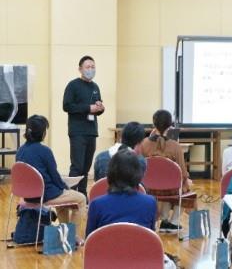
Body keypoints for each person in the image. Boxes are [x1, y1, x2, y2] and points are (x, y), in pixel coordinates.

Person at [16, 115, 86, 245]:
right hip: (46, 195)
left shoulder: (20, 151)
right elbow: (55, 177)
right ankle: (73, 236)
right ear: (43, 133)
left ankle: (64, 234)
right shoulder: (45, 151)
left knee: (63, 202)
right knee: (81, 199)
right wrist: (66, 186)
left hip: (27, 195)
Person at [140, 109, 195, 233]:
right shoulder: (175, 146)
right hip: (170, 189)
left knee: (162, 183)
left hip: (148, 188)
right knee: (184, 185)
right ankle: (172, 222)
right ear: (170, 126)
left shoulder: (144, 144)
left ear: (153, 124)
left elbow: (139, 167)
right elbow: (183, 173)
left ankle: (163, 218)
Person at [86, 149, 157, 236]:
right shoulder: (150, 202)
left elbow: (90, 241)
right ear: (138, 173)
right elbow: (151, 238)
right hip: (139, 249)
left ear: (110, 173)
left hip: (107, 249)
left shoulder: (97, 204)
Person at [63, 55, 104, 198]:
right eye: (88, 67)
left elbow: (97, 107)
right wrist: (88, 108)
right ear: (80, 69)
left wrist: (100, 108)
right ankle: (71, 195)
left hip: (91, 131)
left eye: (93, 67)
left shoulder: (95, 87)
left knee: (86, 167)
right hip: (77, 131)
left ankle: (83, 195)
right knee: (77, 166)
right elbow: (67, 106)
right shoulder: (73, 85)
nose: (91, 69)